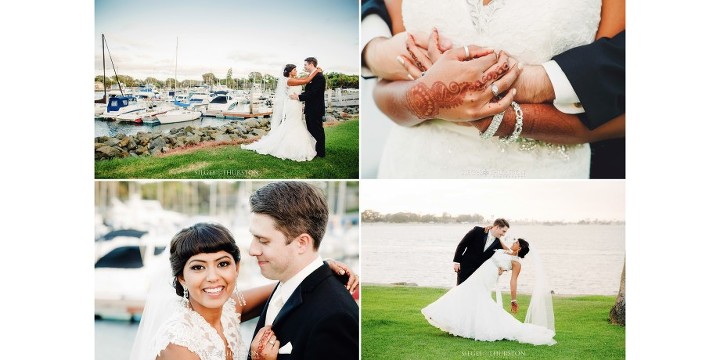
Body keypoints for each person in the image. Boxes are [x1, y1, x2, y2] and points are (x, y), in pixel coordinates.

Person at [363, 0, 625, 178]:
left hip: (542, 177)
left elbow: (613, 94)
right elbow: (385, 89)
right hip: (412, 168)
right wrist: (425, 97)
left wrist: (512, 115)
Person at [129, 223, 358, 360]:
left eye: (222, 264)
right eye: (198, 267)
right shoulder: (178, 346)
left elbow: (287, 287)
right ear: (181, 278)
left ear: (237, 268)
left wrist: (318, 267)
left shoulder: (229, 308)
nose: (213, 277)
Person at [247, 182, 359, 359]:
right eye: (254, 237)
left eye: (263, 240)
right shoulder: (288, 280)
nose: (252, 250)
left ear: (302, 243)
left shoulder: (335, 318)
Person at [423, 238, 556, 345]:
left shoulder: (517, 263)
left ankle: (476, 326)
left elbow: (513, 281)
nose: (514, 242)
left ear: (519, 248)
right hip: (480, 272)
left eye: (516, 242)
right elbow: (497, 240)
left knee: (477, 297)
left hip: (488, 277)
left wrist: (513, 300)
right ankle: (451, 319)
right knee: (464, 292)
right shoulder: (506, 251)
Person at [242, 64, 321, 161]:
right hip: (292, 105)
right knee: (292, 123)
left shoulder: (294, 79)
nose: (296, 71)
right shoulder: (289, 80)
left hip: (296, 104)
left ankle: (294, 145)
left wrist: (312, 72)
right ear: (289, 71)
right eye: (294, 70)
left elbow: (305, 78)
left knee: (296, 122)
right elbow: (306, 80)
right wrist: (316, 71)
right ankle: (289, 147)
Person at [453, 218, 509, 285]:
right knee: (459, 291)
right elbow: (462, 244)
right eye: (503, 231)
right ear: (497, 227)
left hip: (479, 273)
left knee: (473, 294)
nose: (504, 234)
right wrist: (457, 262)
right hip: (465, 268)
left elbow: (509, 253)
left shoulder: (498, 243)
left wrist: (502, 269)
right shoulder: (477, 231)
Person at [289, 57, 326, 158]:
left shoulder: (319, 77)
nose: (304, 66)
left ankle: (321, 152)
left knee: (317, 130)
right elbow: (309, 91)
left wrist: (298, 97)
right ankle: (314, 149)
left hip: (316, 108)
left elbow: (313, 93)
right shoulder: (312, 76)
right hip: (310, 108)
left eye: (305, 64)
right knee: (311, 128)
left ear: (311, 64)